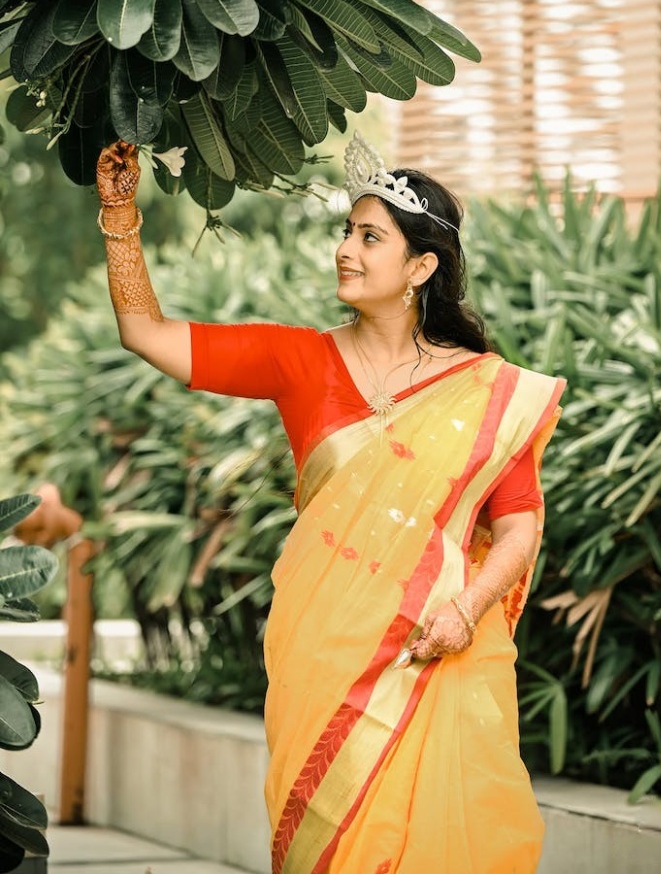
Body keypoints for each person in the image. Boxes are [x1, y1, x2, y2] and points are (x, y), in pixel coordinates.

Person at [96, 133, 566, 874]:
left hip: (436, 646)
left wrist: (465, 609)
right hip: (324, 652)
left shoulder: (487, 391)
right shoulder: (300, 361)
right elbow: (144, 333)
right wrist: (120, 216)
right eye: (347, 231)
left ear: (420, 267)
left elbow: (519, 524)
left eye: (369, 237)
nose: (346, 249)